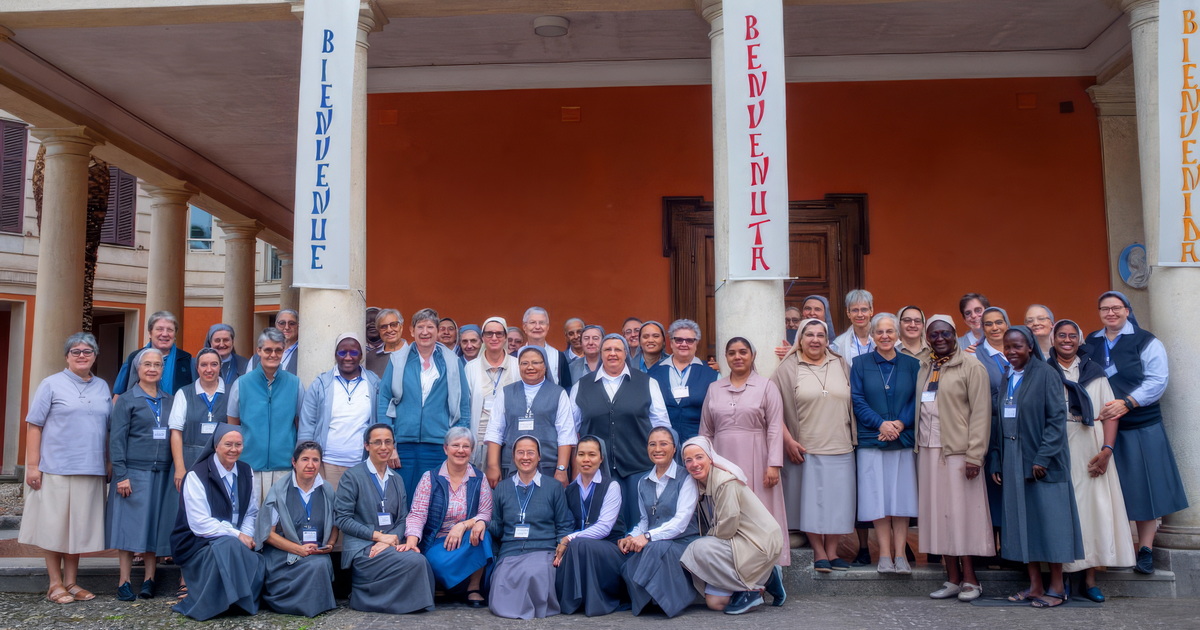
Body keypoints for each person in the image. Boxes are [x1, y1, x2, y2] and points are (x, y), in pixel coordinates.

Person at [1083, 291, 1188, 575]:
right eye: (1104, 308)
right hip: (1102, 428)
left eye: (1116, 308)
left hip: (1141, 424)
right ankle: (1114, 548)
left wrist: (1127, 402)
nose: (1111, 313)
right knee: (1109, 490)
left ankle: (1145, 550)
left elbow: (1157, 380)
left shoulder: (1147, 341)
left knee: (1146, 489)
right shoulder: (1090, 341)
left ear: (1127, 310)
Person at [989, 326, 1084, 608]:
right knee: (1021, 523)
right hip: (1012, 459)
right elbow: (999, 420)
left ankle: (1057, 587)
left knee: (1050, 524)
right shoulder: (1007, 377)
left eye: (1017, 346)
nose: (1011, 352)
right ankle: (1034, 586)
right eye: (1007, 347)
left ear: (1030, 347)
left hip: (1042, 462)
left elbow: (1057, 420)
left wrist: (1042, 457)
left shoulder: (1047, 375)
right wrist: (996, 457)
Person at [19, 333, 111, 605]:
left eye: (87, 351)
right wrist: (33, 466)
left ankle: (71, 581)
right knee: (55, 527)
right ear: (66, 356)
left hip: (91, 467)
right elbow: (34, 425)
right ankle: (54, 583)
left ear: (95, 355)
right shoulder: (51, 384)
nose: (82, 355)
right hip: (56, 466)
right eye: (75, 351)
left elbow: (106, 429)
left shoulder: (103, 386)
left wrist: (107, 460)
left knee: (78, 529)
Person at [1048, 319, 1135, 601]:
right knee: (1060, 511)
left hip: (1090, 447)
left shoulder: (1094, 371)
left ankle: (1089, 578)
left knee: (1092, 511)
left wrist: (1107, 450)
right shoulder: (1044, 371)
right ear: (1053, 339)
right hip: (1056, 447)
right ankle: (1060, 578)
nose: (1067, 340)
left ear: (1080, 340)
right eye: (1061, 335)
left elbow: (1110, 413)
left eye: (1073, 335)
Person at [916, 315, 994, 602]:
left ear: (954, 334)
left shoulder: (972, 367)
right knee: (938, 515)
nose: (939, 339)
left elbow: (982, 413)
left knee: (963, 516)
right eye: (934, 335)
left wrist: (975, 456)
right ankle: (951, 578)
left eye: (945, 334)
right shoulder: (925, 367)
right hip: (928, 449)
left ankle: (971, 580)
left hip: (960, 453)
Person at [771, 319, 855, 572]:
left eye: (821, 335)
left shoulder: (841, 363)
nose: (815, 340)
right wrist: (787, 440)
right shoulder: (788, 367)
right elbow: (774, 412)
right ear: (800, 338)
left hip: (841, 444)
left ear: (827, 339)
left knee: (839, 502)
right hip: (806, 446)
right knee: (811, 503)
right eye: (809, 335)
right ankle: (819, 552)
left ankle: (833, 552)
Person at [699, 337, 788, 568]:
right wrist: (707, 465)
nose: (737, 357)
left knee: (761, 513)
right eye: (731, 353)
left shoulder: (767, 386)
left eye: (743, 352)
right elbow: (706, 431)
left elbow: (776, 427)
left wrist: (774, 464)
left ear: (753, 355)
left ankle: (768, 569)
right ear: (725, 357)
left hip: (758, 458)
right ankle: (731, 566)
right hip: (722, 460)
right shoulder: (714, 388)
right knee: (728, 513)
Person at [334, 423, 436, 614]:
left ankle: (403, 602)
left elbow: (403, 518)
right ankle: (366, 599)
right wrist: (378, 537)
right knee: (415, 561)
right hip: (362, 548)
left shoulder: (396, 479)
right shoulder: (352, 476)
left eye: (388, 442)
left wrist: (390, 541)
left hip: (390, 544)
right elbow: (342, 519)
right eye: (377, 442)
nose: (383, 447)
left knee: (419, 558)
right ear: (367, 446)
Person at [571, 334, 671, 526]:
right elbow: (570, 430)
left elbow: (661, 425)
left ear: (626, 353)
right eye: (607, 349)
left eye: (618, 349)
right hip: (597, 470)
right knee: (603, 523)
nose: (613, 354)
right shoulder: (581, 386)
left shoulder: (647, 383)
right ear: (601, 353)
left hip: (639, 466)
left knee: (639, 521)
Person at [680, 436, 785, 614]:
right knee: (716, 603)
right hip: (737, 541)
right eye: (688, 460)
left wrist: (707, 540)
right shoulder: (701, 484)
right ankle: (767, 577)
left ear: (710, 458)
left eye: (699, 457)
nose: (694, 464)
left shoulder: (724, 482)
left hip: (757, 542)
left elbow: (727, 527)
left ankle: (751, 589)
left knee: (697, 549)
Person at [171, 424, 265, 620]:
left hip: (234, 540)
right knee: (229, 545)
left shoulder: (246, 471)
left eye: (238, 444)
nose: (234, 449)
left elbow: (251, 511)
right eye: (228, 444)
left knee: (246, 552)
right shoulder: (197, 475)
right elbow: (200, 523)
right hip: (197, 542)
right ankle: (229, 602)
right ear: (216, 446)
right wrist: (237, 535)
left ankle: (235, 601)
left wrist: (245, 535)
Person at [851, 314, 920, 574]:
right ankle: (883, 554)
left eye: (890, 331)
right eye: (879, 332)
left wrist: (900, 424)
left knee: (900, 498)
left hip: (902, 439)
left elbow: (917, 398)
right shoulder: (859, 363)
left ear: (898, 334)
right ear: (872, 335)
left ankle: (901, 554)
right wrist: (880, 423)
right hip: (872, 438)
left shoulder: (913, 365)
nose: (885, 336)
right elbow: (857, 399)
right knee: (877, 498)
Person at [107, 347, 178, 600]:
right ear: (138, 368)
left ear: (162, 369)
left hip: (163, 474)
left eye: (157, 365)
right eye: (147, 364)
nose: (152, 369)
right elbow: (117, 440)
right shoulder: (127, 399)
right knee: (128, 528)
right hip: (134, 473)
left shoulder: (170, 400)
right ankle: (124, 581)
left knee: (155, 526)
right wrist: (121, 474)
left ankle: (150, 578)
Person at [378, 307, 471, 497]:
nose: (425, 332)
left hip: (439, 444)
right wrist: (389, 445)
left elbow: (463, 405)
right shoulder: (398, 360)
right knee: (401, 498)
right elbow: (384, 401)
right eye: (420, 327)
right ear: (412, 331)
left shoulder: (453, 362)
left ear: (437, 331)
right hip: (402, 445)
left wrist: (458, 442)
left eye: (430, 327)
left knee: (435, 499)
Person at [403, 427, 493, 608]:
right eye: (456, 445)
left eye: (466, 446)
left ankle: (472, 588)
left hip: (466, 540)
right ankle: (447, 584)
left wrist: (463, 525)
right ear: (445, 449)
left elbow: (485, 513)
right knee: (434, 563)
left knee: (482, 532)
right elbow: (417, 514)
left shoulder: (479, 478)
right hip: (437, 542)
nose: (461, 450)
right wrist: (411, 541)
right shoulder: (431, 478)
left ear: (472, 450)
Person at [489, 436, 574, 619]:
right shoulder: (502, 488)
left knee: (532, 572)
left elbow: (564, 524)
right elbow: (496, 527)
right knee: (501, 582)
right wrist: (479, 522)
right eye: (520, 452)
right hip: (510, 551)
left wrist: (562, 546)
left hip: (543, 549)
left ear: (539, 457)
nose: (525, 457)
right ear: (513, 457)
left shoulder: (553, 487)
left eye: (530, 452)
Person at [618, 427, 698, 618]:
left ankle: (664, 601)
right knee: (629, 561)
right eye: (652, 444)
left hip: (682, 541)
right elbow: (645, 520)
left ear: (674, 448)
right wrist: (631, 536)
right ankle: (651, 600)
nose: (657, 449)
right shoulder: (643, 481)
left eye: (663, 444)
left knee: (653, 551)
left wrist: (647, 537)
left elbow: (681, 522)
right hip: (654, 541)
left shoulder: (686, 478)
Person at [254, 441, 338, 617]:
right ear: (294, 462)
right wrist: (299, 549)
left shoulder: (327, 490)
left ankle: (311, 605)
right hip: (283, 554)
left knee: (320, 562)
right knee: (317, 565)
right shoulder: (280, 490)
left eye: (315, 460)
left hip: (316, 551)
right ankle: (291, 604)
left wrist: (330, 544)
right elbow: (268, 534)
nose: (310, 465)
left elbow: (335, 524)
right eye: (305, 459)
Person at [228, 328, 305, 501]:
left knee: (279, 521)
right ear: (259, 351)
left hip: (283, 465)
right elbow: (232, 424)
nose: (273, 355)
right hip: (249, 464)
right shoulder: (242, 384)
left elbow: (300, 423)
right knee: (250, 520)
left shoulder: (295, 383)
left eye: (278, 350)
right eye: (268, 350)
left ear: (283, 350)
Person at [554, 436, 627, 617]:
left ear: (601, 458)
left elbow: (604, 527)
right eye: (581, 454)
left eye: (592, 455)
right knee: (575, 547)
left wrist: (569, 538)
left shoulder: (612, 486)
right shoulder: (570, 490)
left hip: (609, 550)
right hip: (578, 549)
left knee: (580, 544)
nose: (586, 459)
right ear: (575, 458)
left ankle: (591, 602)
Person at [485, 346, 576, 487]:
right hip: (511, 465)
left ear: (545, 366)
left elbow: (566, 433)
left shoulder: (559, 393)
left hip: (548, 465)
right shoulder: (506, 392)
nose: (530, 367)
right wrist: (493, 466)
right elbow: (495, 430)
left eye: (536, 362)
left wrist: (561, 469)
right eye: (524, 363)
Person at [299, 333, 380, 490]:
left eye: (354, 352)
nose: (348, 357)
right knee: (327, 510)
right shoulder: (321, 383)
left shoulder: (374, 382)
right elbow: (307, 423)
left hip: (362, 464)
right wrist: (306, 458)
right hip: (327, 464)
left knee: (358, 511)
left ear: (361, 355)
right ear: (336, 355)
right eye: (342, 352)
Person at [650, 319, 719, 442]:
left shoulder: (711, 374)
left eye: (689, 340)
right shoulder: (653, 373)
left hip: (699, 444)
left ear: (696, 343)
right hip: (665, 444)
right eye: (678, 340)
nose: (684, 344)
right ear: (671, 342)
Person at [170, 348, 228, 494]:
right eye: (204, 365)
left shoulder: (232, 392)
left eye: (214, 364)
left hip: (222, 461)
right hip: (190, 461)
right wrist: (179, 468)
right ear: (197, 367)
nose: (209, 369)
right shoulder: (184, 393)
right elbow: (176, 432)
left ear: (220, 366)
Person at [466, 316, 520, 468]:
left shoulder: (518, 365)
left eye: (499, 334)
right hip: (480, 439)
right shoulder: (471, 367)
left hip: (510, 439)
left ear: (505, 337)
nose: (494, 337)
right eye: (489, 334)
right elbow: (465, 406)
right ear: (482, 337)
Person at [113, 310, 193, 396]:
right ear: (150, 333)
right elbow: (119, 393)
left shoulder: (186, 359)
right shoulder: (135, 357)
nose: (165, 334)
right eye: (159, 329)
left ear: (175, 334)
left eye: (170, 330)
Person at [522, 306, 572, 387]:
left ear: (547, 327)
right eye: (532, 322)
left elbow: (566, 388)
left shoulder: (559, 356)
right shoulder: (515, 356)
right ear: (525, 327)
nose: (537, 327)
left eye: (542, 323)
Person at [777, 295, 837, 360]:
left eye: (817, 309)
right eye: (808, 308)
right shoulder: (791, 335)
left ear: (825, 314)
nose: (812, 313)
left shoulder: (836, 344)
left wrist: (793, 353)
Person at [831, 289, 875, 361]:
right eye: (855, 310)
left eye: (864, 310)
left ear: (871, 311)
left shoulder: (884, 338)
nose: (860, 315)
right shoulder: (839, 344)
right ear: (848, 313)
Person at [366, 308, 406, 378]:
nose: (389, 330)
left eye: (394, 325)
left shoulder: (415, 354)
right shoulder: (370, 358)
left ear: (401, 327)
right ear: (379, 330)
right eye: (383, 327)